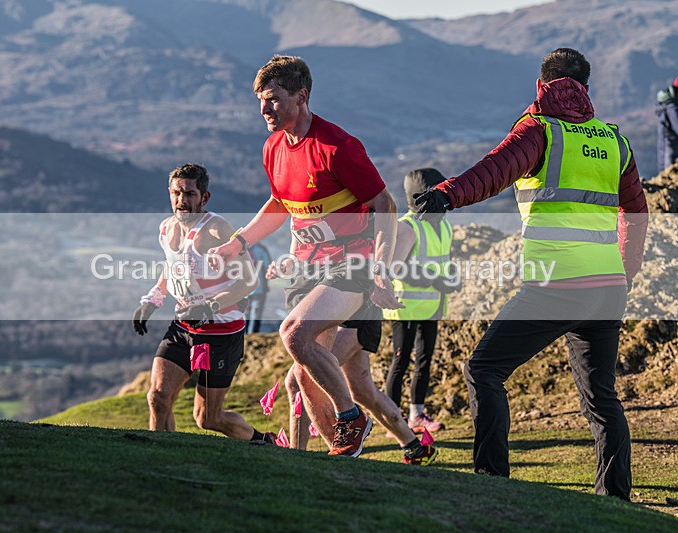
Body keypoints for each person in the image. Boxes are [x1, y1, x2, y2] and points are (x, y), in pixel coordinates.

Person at [416, 48, 648, 500]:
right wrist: (626, 275)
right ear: (586, 89)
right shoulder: (614, 141)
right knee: (602, 398)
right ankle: (616, 498)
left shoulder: (541, 130)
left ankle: (492, 482)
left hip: (557, 284)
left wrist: (447, 194)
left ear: (542, 86)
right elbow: (636, 215)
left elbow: (495, 169)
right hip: (607, 287)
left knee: (484, 369)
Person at [208, 55, 402, 457]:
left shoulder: (338, 147)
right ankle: (341, 452)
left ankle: (352, 417)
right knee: (303, 379)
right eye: (261, 101)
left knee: (294, 333)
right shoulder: (273, 147)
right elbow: (279, 204)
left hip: (352, 262)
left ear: (301, 96)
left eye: (273, 99)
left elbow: (385, 205)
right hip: (307, 267)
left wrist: (382, 268)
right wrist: (237, 243)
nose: (264, 109)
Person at [132, 163, 274, 444]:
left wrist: (209, 307)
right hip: (184, 327)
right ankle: (160, 459)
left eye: (190, 194)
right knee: (158, 398)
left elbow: (249, 282)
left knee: (208, 418)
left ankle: (263, 440)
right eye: (176, 193)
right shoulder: (166, 228)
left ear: (204, 198)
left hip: (221, 332)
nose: (181, 200)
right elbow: (173, 267)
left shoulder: (217, 229)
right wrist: (153, 299)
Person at [267, 254, 437, 465]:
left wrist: (382, 277)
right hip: (344, 299)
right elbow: (314, 248)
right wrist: (290, 263)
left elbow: (384, 251)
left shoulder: (375, 237)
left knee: (298, 379)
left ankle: (300, 457)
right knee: (362, 391)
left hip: (356, 306)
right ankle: (415, 448)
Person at [383, 168, 458, 434]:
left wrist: (452, 278)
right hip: (405, 306)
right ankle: (393, 420)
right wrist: (434, 280)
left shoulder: (444, 225)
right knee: (400, 363)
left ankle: (417, 416)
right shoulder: (406, 226)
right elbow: (396, 268)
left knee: (424, 362)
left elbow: (444, 260)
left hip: (434, 304)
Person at [245, 242, 272, 333]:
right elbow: (268, 267)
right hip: (259, 288)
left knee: (245, 315)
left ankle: (244, 337)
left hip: (242, 291)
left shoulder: (238, 249)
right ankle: (252, 336)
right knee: (255, 315)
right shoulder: (261, 250)